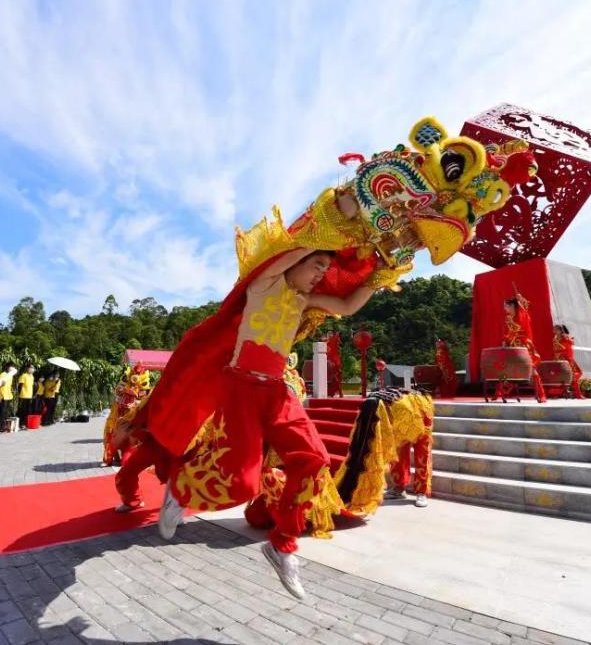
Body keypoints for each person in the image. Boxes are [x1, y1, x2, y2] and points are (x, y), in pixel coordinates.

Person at [149, 246, 402, 599]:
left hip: (277, 390)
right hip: (240, 387)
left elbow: (346, 307)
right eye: (316, 265)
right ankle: (179, 490)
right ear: (295, 261)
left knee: (314, 462)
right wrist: (321, 235)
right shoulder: (264, 283)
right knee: (241, 485)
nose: (320, 274)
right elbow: (290, 249)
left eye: (326, 268)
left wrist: (380, 277)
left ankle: (282, 546)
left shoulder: (304, 300)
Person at [500, 295, 547, 402]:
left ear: (512, 306)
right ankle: (502, 392)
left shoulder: (521, 314)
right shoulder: (507, 318)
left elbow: (525, 306)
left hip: (524, 345)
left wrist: (519, 299)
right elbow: (506, 332)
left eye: (506, 306)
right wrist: (504, 341)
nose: (504, 309)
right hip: (512, 345)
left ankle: (541, 394)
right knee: (507, 368)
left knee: (532, 370)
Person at [553, 325, 585, 399]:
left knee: (576, 373)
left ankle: (570, 390)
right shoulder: (555, 339)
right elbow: (556, 349)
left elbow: (571, 343)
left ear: (561, 330)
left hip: (566, 359)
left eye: (556, 329)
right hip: (563, 359)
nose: (554, 331)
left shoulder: (564, 337)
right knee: (572, 375)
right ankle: (576, 394)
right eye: (554, 329)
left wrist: (566, 337)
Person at [16, 364, 35, 428]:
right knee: (22, 410)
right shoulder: (23, 375)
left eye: (33, 368)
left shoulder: (32, 376)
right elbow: (20, 386)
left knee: (27, 410)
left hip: (29, 396)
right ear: (27, 368)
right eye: (31, 367)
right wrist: (19, 394)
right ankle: (20, 423)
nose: (32, 369)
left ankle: (25, 423)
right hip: (23, 395)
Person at [0, 362, 15, 431]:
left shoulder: (11, 375)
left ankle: (3, 426)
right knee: (1, 412)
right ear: (7, 367)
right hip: (3, 395)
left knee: (5, 412)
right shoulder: (3, 374)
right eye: (10, 366)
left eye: (13, 367)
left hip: (8, 396)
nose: (12, 368)